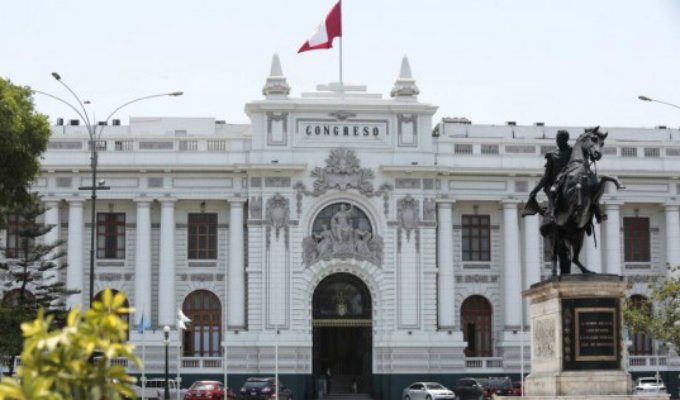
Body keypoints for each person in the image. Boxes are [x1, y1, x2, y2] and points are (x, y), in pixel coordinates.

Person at [525, 130, 572, 223]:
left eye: (560, 139)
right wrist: (535, 190)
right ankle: (551, 214)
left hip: (571, 183)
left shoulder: (573, 153)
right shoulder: (552, 156)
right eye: (557, 139)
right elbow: (546, 177)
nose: (558, 141)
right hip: (556, 187)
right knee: (553, 195)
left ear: (566, 140)